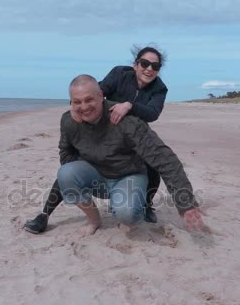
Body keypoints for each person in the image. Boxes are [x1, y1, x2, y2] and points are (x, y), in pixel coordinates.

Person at [25, 46, 168, 234]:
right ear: (135, 65)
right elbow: (96, 91)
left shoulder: (159, 88)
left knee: (152, 166)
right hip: (103, 132)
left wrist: (128, 106)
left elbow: (152, 113)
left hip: (132, 137)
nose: (149, 69)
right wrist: (74, 107)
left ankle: (146, 206)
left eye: (155, 66)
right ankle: (44, 214)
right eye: (145, 63)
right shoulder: (119, 74)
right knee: (72, 167)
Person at [49, 74, 204, 235]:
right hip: (97, 178)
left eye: (89, 100)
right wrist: (90, 164)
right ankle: (94, 219)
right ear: (71, 102)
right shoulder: (68, 121)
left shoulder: (126, 121)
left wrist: (185, 203)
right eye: (77, 102)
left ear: (101, 95)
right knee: (66, 173)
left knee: (127, 214)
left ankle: (136, 206)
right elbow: (65, 153)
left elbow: (164, 159)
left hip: (128, 176)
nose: (84, 107)